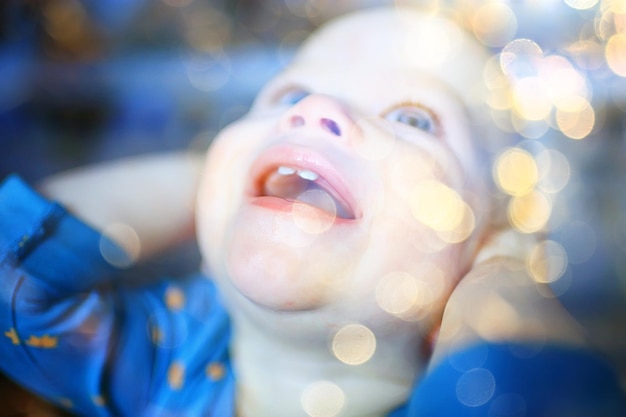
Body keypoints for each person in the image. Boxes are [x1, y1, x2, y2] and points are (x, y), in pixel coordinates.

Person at [1, 6, 624, 417]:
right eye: (289, 95)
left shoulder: (461, 395)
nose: (317, 108)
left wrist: (498, 277)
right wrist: (218, 176)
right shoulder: (176, 351)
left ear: (478, 247)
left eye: (413, 118)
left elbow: (528, 395)